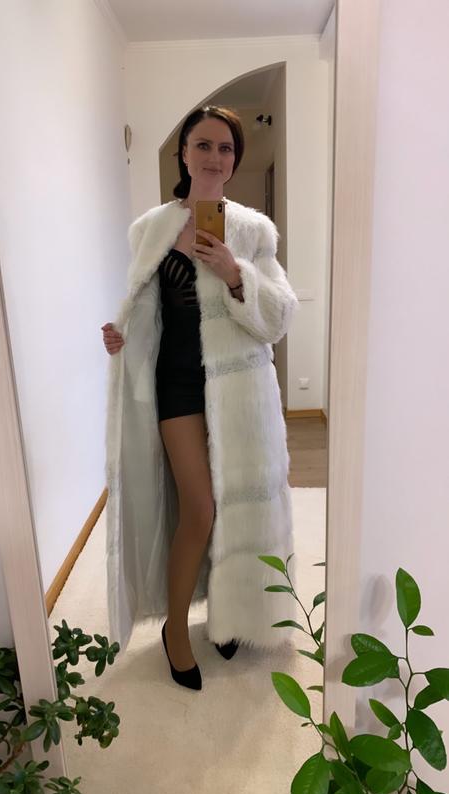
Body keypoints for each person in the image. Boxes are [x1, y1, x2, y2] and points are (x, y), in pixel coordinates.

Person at [102, 105, 299, 692]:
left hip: (240, 386)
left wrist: (236, 274)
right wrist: (121, 335)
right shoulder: (151, 229)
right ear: (183, 153)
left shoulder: (253, 231)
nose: (215, 157)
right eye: (204, 145)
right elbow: (146, 313)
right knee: (200, 508)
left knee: (236, 505)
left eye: (226, 148)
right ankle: (175, 631)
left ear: (234, 162)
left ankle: (232, 613)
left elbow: (279, 318)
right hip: (177, 385)